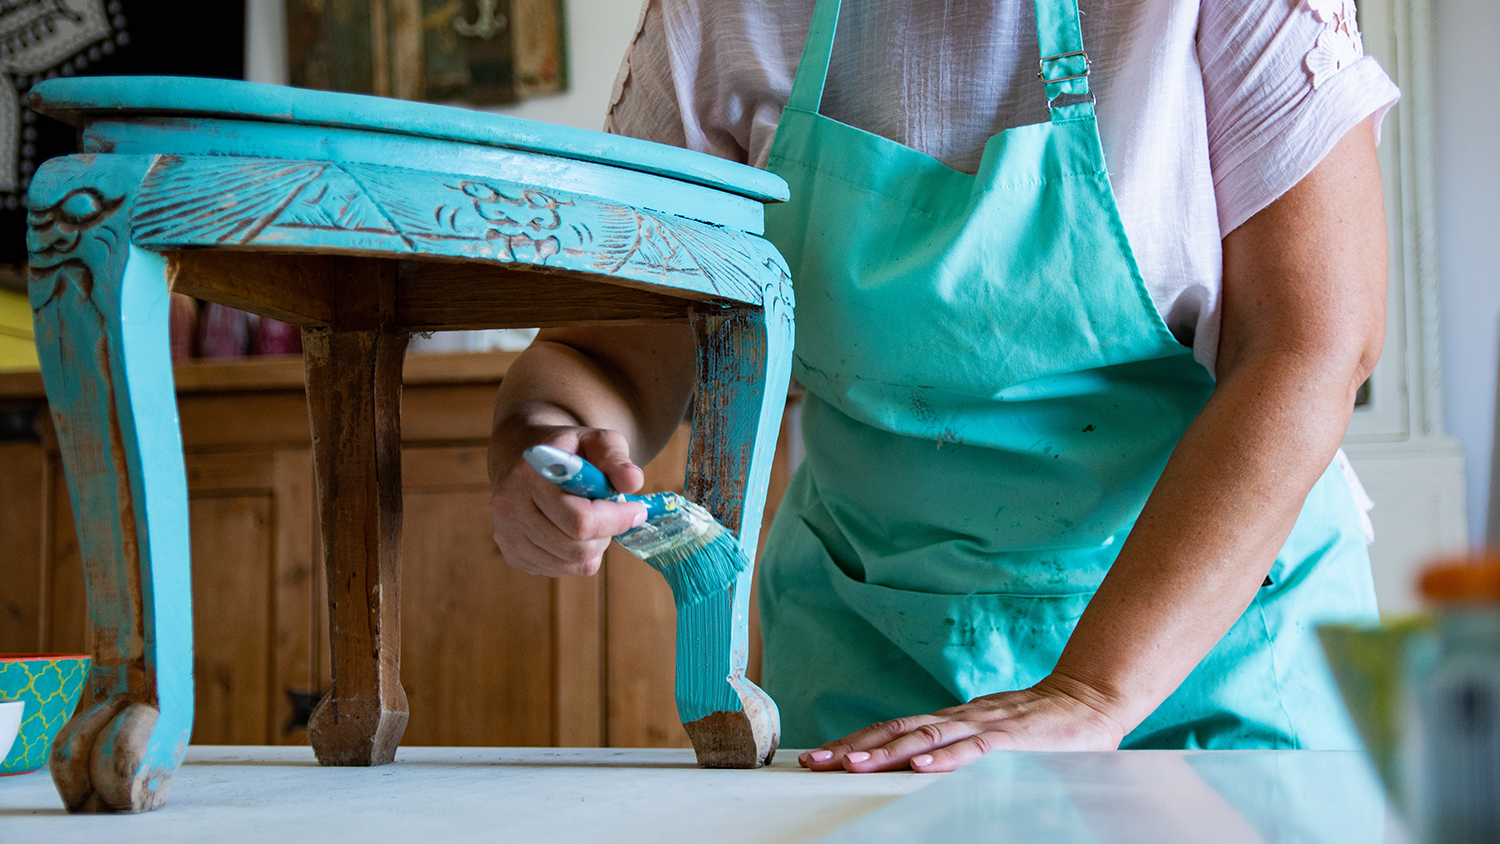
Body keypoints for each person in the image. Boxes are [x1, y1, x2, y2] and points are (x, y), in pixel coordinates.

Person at [488, 0, 1399, 772]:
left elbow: (1315, 341)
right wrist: (555, 434)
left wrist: (1092, 690)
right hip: (875, 645)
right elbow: (604, 351)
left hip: (1219, 634)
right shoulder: (725, 15)